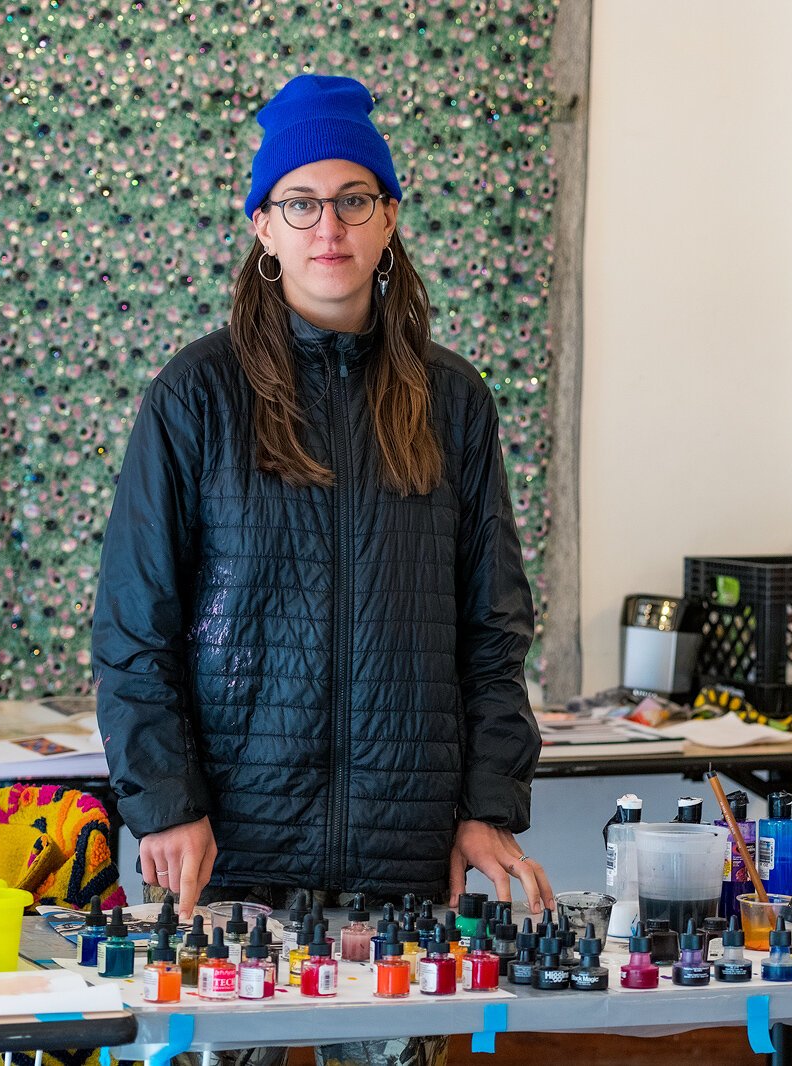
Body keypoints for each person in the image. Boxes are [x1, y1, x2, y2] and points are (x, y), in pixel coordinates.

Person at [93, 73, 548, 1063]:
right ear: (262, 225)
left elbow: (493, 630)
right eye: (300, 202)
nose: (327, 226)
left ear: (389, 219)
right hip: (230, 860)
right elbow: (133, 628)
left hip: (402, 873)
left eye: (353, 199)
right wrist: (163, 799)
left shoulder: (453, 401)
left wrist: (487, 806)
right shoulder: (196, 394)